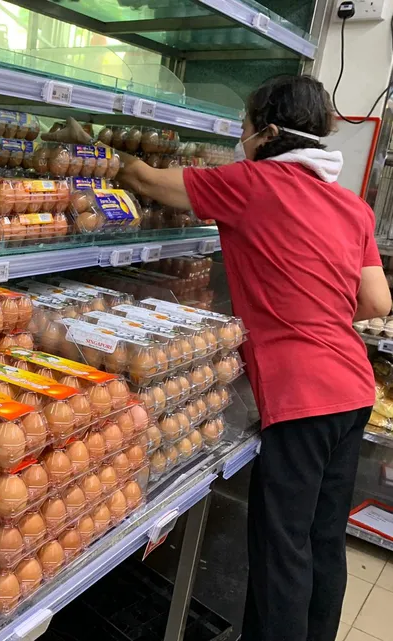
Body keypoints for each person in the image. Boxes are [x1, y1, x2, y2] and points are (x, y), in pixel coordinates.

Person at [115, 75, 392, 641]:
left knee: (281, 546)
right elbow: (376, 300)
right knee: (321, 538)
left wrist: (99, 149)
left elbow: (147, 180)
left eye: (243, 127)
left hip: (300, 397)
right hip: (353, 390)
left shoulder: (251, 184)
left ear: (266, 133)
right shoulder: (351, 206)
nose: (240, 139)